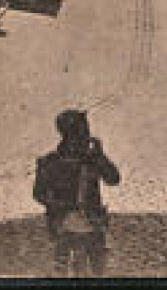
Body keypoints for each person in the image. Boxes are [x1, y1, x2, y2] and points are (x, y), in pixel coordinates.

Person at [32, 110, 121, 276]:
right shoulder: (49, 162)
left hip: (93, 227)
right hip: (63, 228)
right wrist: (63, 206)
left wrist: (101, 156)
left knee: (98, 276)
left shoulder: (93, 159)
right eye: (82, 131)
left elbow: (114, 179)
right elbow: (39, 194)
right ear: (69, 134)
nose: (87, 136)